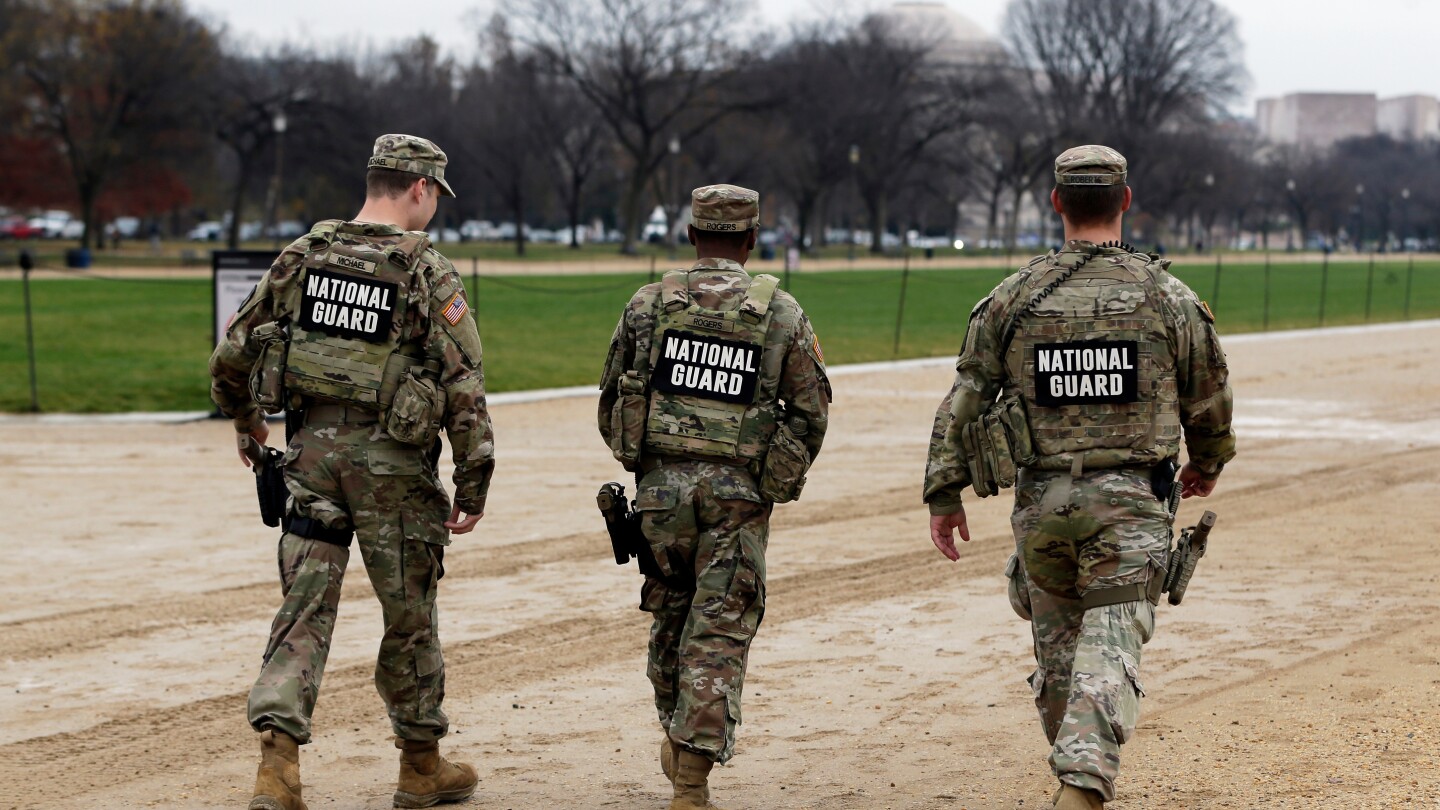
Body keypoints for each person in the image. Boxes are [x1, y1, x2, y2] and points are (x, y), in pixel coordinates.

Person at [923, 146, 1235, 810]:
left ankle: (1073, 764)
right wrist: (1206, 462)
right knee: (1112, 638)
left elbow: (965, 400)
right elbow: (1208, 397)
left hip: (1042, 507)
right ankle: (1083, 784)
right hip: (1129, 505)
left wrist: (943, 493)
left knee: (1062, 655)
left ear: (1057, 203)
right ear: (1125, 200)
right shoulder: (1167, 296)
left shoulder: (1011, 298)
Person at [209, 134, 495, 810]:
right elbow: (464, 389)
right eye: (434, 198)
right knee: (409, 616)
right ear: (420, 189)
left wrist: (247, 421)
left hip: (310, 460)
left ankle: (277, 768)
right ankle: (420, 767)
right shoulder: (426, 269)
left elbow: (230, 357)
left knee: (303, 609)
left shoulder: (302, 256)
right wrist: (474, 481)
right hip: (394, 473)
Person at [598, 184, 830, 810]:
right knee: (719, 631)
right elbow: (811, 414)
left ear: (691, 235)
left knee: (671, 619)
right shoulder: (780, 314)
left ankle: (678, 739)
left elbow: (611, 402)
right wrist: (772, 479)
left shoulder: (648, 305)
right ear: (752, 240)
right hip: (737, 497)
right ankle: (691, 781)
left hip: (660, 498)